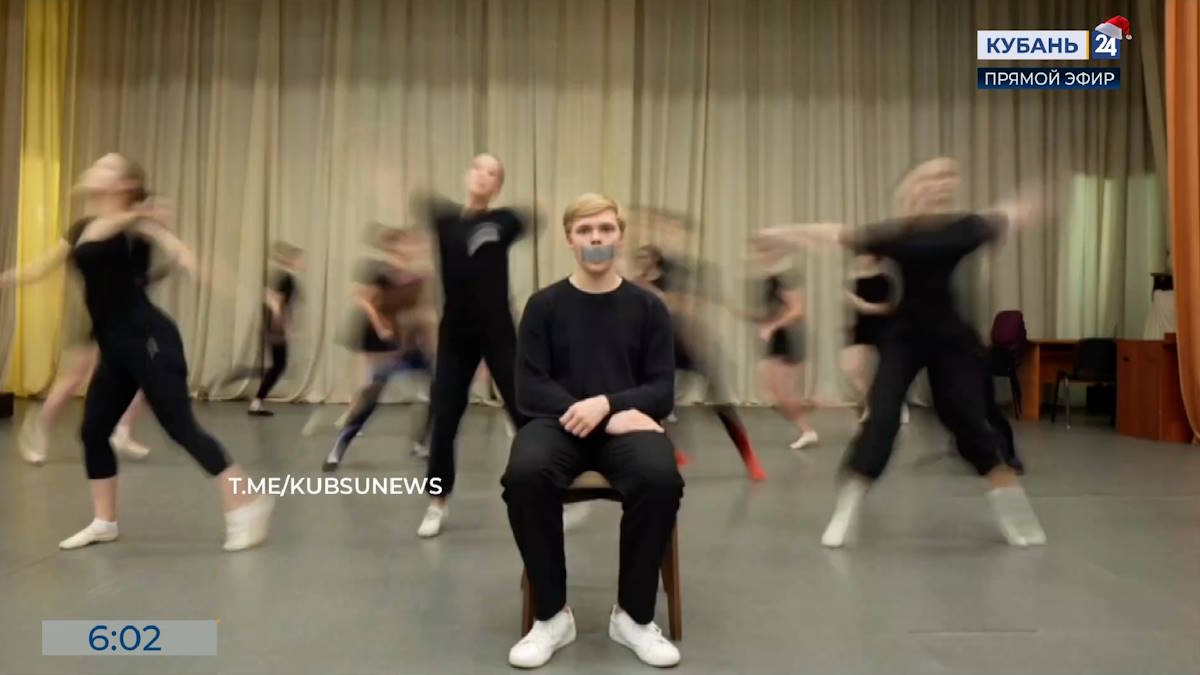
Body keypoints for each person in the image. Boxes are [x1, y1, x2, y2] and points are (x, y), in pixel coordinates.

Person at [758, 157, 1047, 548]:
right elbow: (835, 234)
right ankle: (848, 505)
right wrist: (784, 234)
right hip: (905, 337)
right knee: (882, 416)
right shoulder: (895, 235)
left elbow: (1007, 214)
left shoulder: (963, 228)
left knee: (967, 418)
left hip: (951, 340)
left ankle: (1012, 507)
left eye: (946, 177)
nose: (938, 183)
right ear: (911, 188)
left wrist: (1032, 202)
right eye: (929, 176)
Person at [0, 153, 273, 551]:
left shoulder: (137, 223)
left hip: (149, 339)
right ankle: (104, 522)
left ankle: (247, 503)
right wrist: (4, 279)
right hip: (113, 346)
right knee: (94, 430)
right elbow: (39, 268)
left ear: (125, 185)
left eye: (107, 166)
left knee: (180, 427)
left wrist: (195, 263)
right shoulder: (82, 228)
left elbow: (175, 248)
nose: (96, 168)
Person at [503, 193, 682, 668]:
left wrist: (608, 405)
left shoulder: (649, 309)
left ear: (620, 235)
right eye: (585, 230)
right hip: (558, 425)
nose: (596, 238)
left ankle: (633, 618)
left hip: (627, 429)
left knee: (659, 477)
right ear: (570, 240)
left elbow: (661, 390)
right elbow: (529, 388)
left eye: (605, 228)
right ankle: (551, 617)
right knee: (524, 475)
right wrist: (600, 412)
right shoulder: (543, 306)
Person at [413, 153, 532, 538]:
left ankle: (555, 488)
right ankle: (437, 502)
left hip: (498, 330)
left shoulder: (504, 221)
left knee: (523, 411)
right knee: (444, 416)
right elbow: (420, 201)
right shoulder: (446, 220)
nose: (483, 176)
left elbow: (534, 216)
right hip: (456, 333)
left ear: (498, 185)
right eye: (478, 168)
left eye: (492, 173)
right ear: (468, 174)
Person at [631, 244, 767, 479]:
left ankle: (749, 458)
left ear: (655, 259)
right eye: (639, 257)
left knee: (722, 405)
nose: (642, 261)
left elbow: (680, 303)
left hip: (693, 348)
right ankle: (673, 453)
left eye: (646, 256)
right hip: (666, 351)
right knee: (658, 406)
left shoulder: (669, 280)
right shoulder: (636, 286)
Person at [323, 225, 431, 471]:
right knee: (370, 397)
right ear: (395, 248)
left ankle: (419, 443)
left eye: (415, 245)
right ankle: (338, 449)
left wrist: (427, 339)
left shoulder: (419, 278)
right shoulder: (380, 272)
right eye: (407, 244)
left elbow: (420, 313)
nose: (413, 249)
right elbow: (363, 299)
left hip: (409, 345)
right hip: (388, 344)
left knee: (439, 388)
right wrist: (381, 325)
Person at [748, 237, 819, 450]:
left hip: (787, 338)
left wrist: (772, 327)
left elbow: (798, 310)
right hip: (777, 338)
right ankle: (809, 409)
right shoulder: (771, 277)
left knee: (781, 391)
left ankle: (807, 429)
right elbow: (774, 309)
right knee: (769, 389)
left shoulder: (784, 276)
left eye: (760, 251)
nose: (755, 256)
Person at [219, 241, 303, 416]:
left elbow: (272, 300)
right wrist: (282, 326)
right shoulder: (286, 278)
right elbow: (276, 303)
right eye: (299, 258)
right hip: (275, 328)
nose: (302, 262)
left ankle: (247, 380)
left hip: (272, 326)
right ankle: (254, 399)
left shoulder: (281, 277)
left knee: (278, 366)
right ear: (290, 259)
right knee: (279, 366)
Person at [840, 254, 910, 424]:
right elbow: (851, 309)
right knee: (849, 367)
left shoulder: (884, 279)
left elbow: (888, 308)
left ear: (874, 258)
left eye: (865, 255)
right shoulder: (853, 279)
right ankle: (869, 404)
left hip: (883, 327)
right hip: (861, 327)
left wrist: (862, 305)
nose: (860, 258)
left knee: (888, 372)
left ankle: (898, 406)